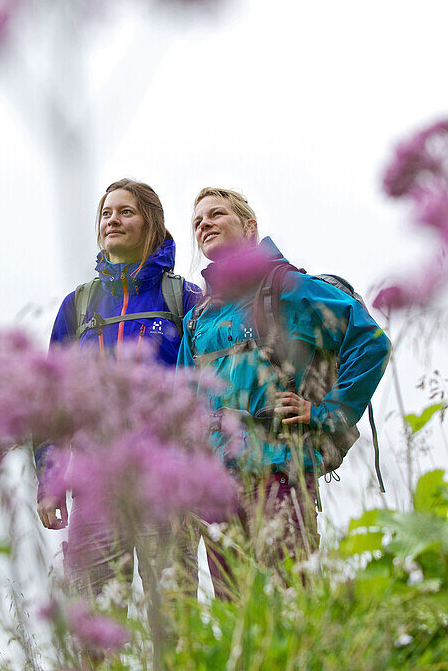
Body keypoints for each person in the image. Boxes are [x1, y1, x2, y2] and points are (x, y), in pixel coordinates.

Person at [178, 187, 390, 590]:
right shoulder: (197, 319)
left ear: (250, 227)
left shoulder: (287, 287)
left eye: (216, 214)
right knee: (235, 619)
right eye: (197, 221)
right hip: (217, 489)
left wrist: (328, 412)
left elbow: (370, 341)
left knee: (293, 600)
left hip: (280, 472)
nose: (204, 224)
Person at [36, 178, 203, 594]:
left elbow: (208, 394)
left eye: (126, 212)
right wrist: (49, 480)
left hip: (165, 486)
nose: (113, 219)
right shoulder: (78, 305)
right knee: (92, 626)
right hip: (95, 489)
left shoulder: (183, 298)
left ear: (151, 223)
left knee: (174, 622)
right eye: (106, 213)